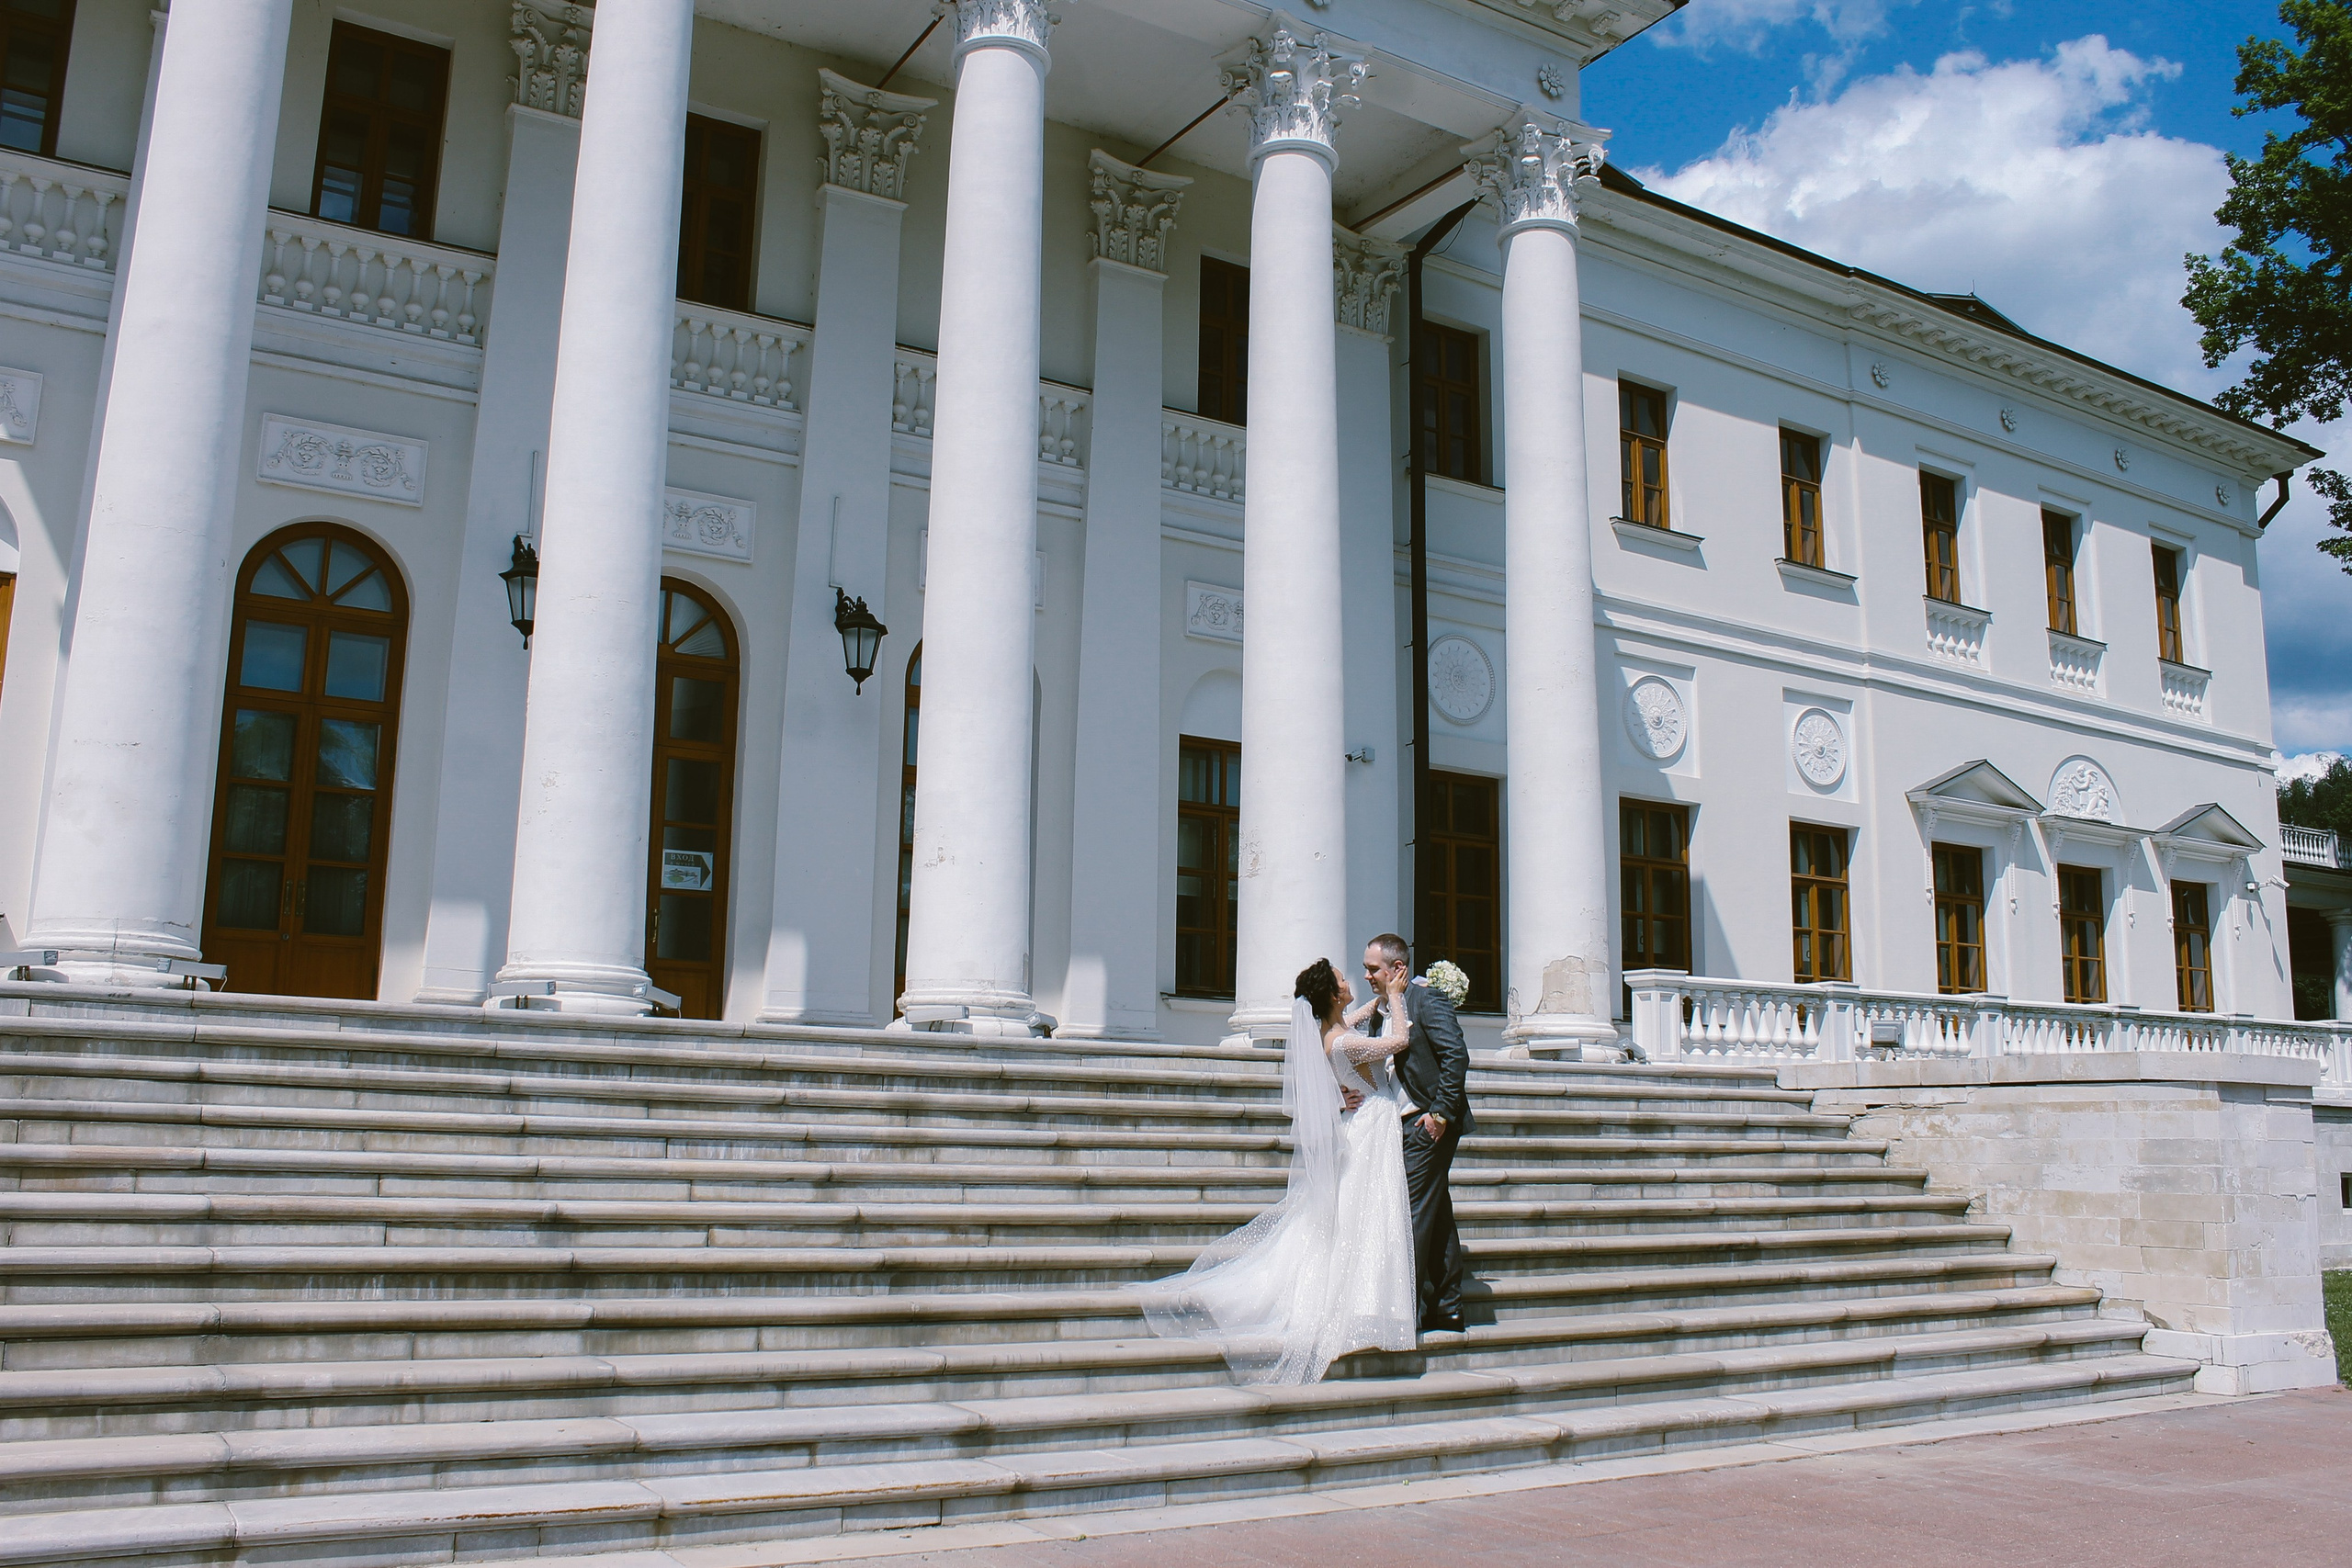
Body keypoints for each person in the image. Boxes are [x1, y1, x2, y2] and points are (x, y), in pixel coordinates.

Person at [1136, 957, 1418, 1383]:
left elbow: (1359, 1016)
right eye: (1343, 978)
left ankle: (1370, 1305)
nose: (1350, 981)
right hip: (1370, 1128)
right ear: (1332, 994)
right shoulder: (1341, 1042)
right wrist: (1395, 997)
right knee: (1365, 1216)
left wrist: (1379, 999)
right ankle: (1356, 1308)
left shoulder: (1335, 1029)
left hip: (1368, 1126)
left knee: (1366, 1217)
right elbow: (1397, 1040)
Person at [1352, 933, 1473, 1333]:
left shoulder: (1427, 1000)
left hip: (1427, 1120)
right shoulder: (1375, 1012)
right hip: (1395, 1124)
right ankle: (1449, 1306)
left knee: (1412, 1212)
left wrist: (1440, 1113)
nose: (1367, 975)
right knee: (1435, 1211)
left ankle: (1407, 1311)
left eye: (1373, 969)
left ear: (1397, 969)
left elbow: (1457, 1054)